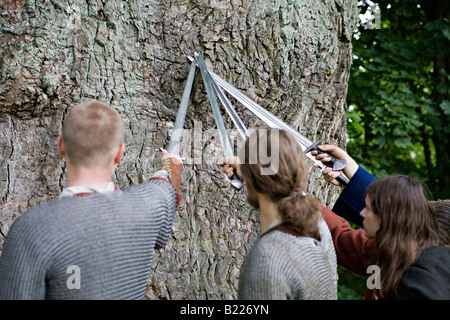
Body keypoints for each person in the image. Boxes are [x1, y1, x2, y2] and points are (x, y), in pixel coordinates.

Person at [0, 100, 183, 299]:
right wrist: (171, 165)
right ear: (120, 153)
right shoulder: (149, 206)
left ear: (61, 146)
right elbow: (166, 189)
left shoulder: (34, 229)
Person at [311, 145, 450, 300]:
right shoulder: (390, 252)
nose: (362, 212)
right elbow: (342, 238)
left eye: (370, 209)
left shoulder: (421, 283)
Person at [219, 128, 338, 300]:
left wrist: (254, 174)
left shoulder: (267, 258)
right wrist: (253, 174)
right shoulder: (318, 225)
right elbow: (283, 184)